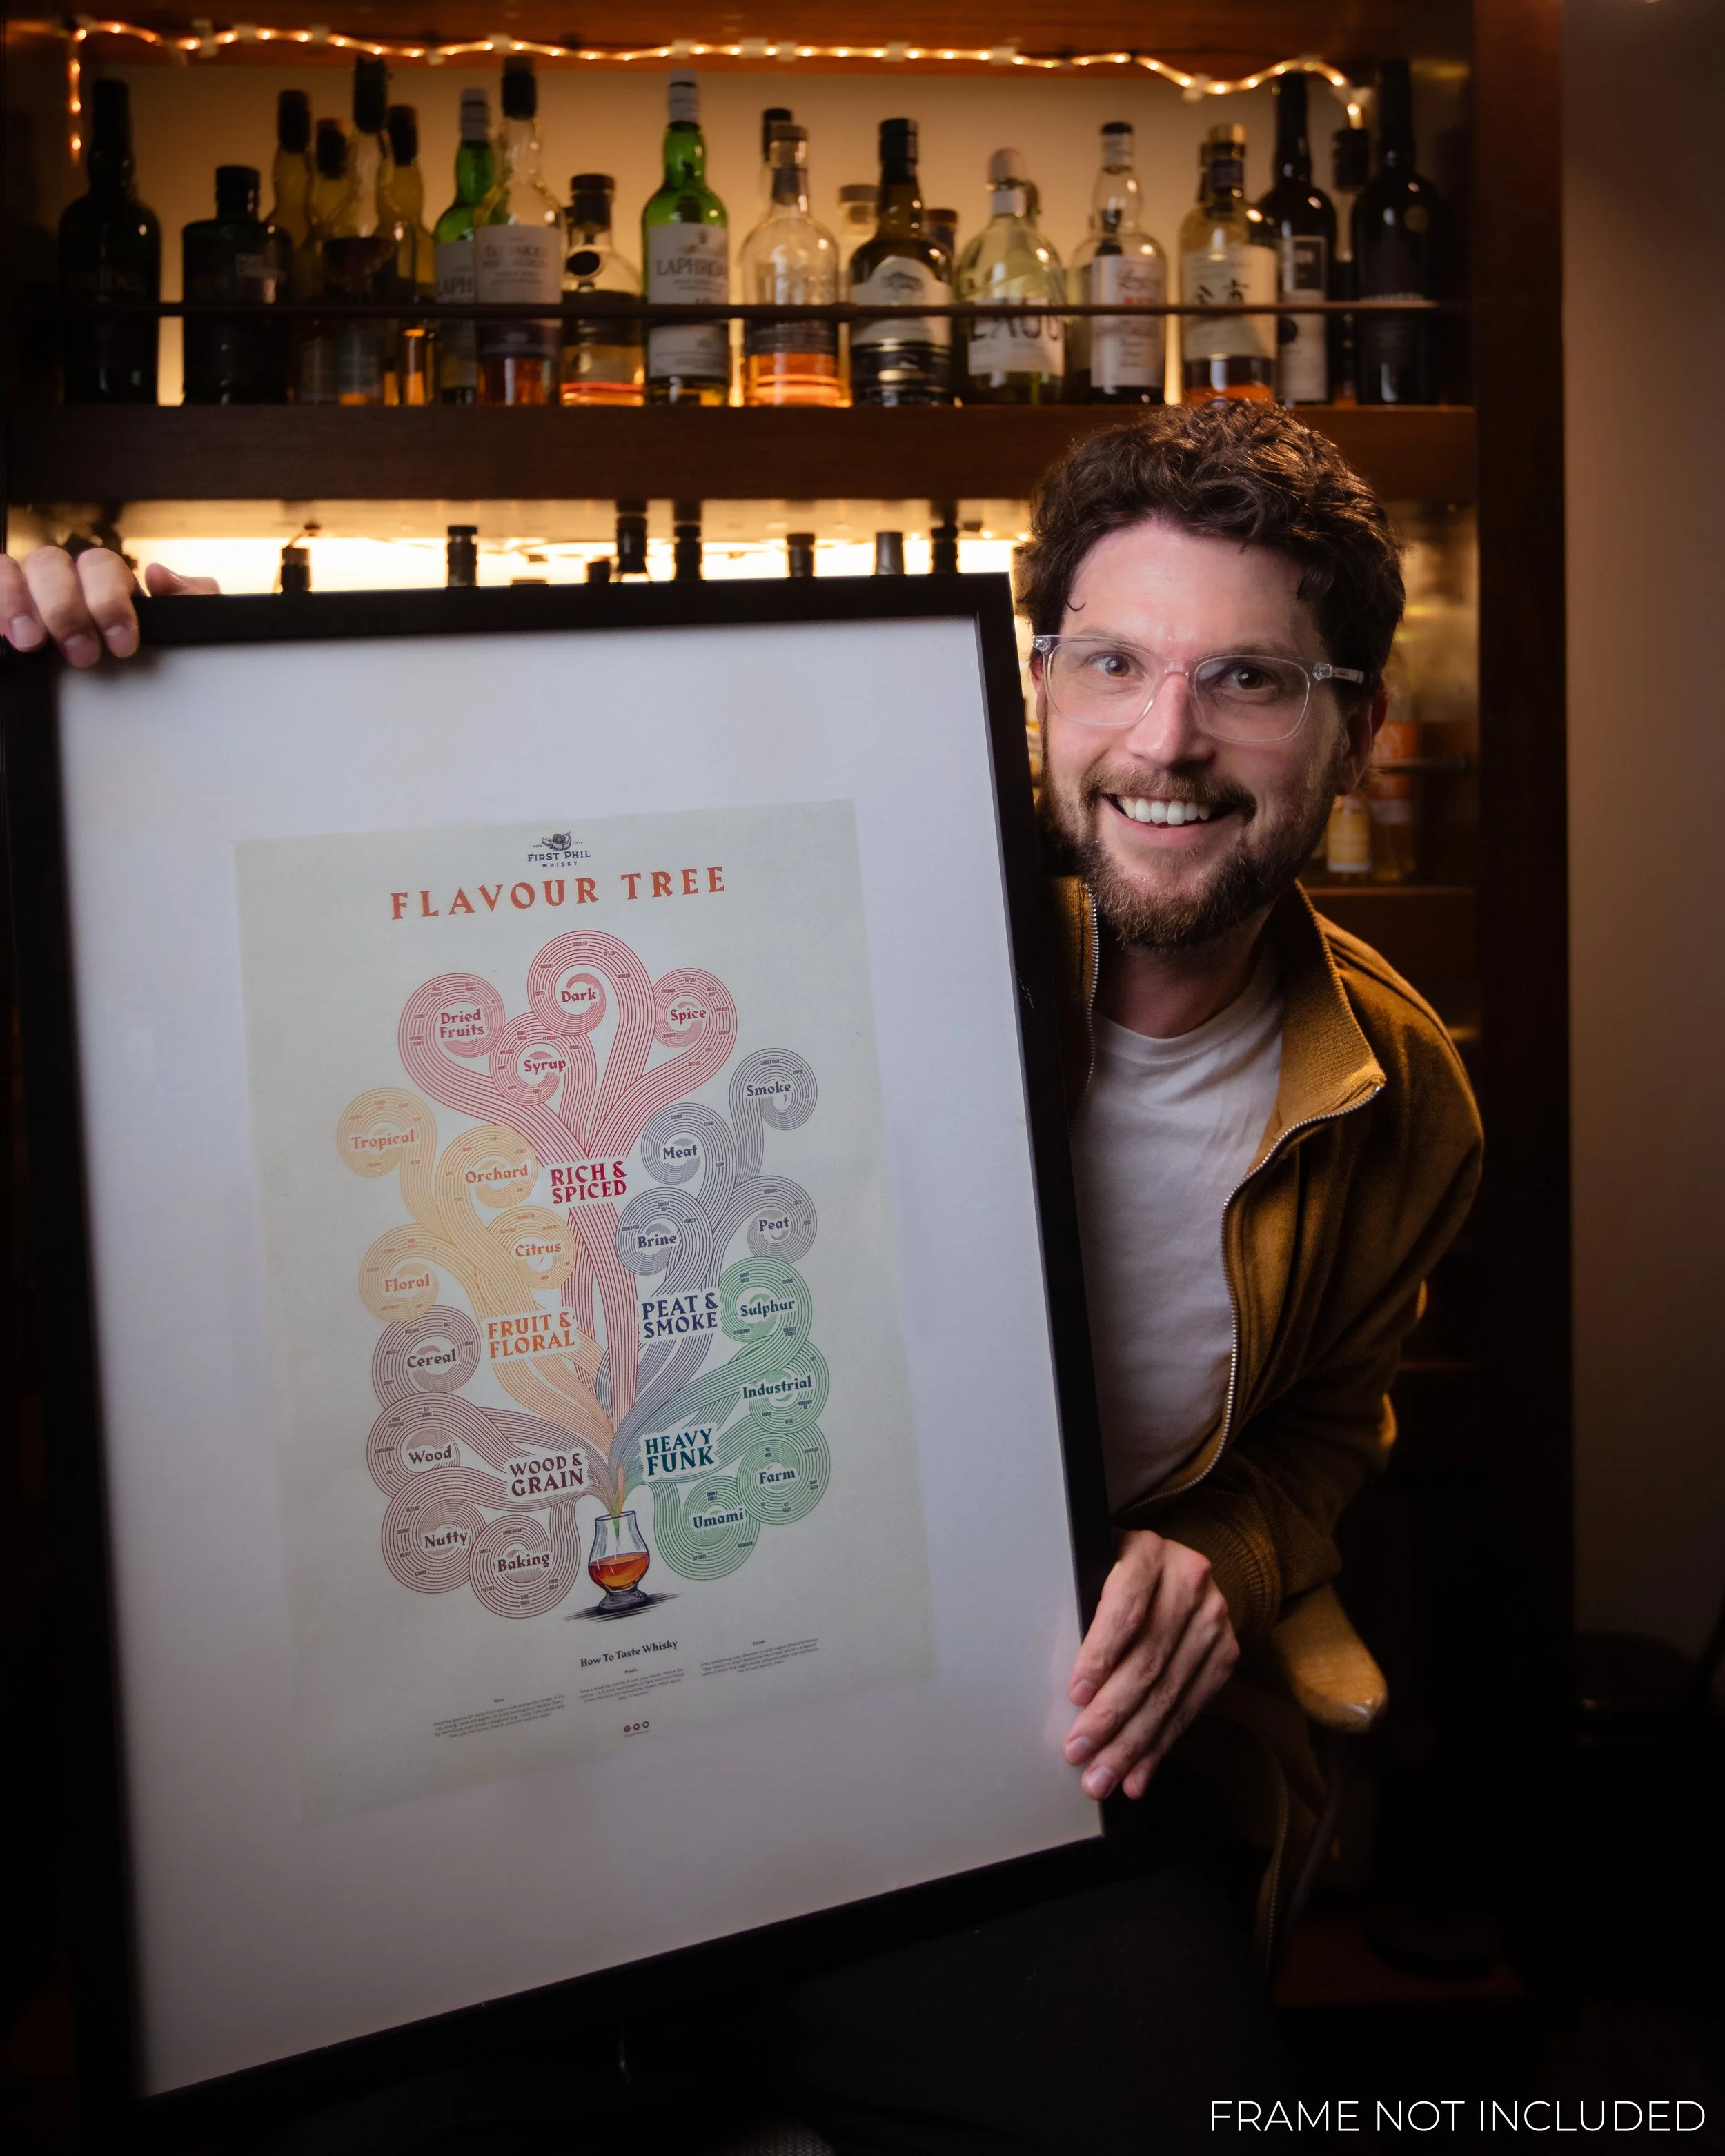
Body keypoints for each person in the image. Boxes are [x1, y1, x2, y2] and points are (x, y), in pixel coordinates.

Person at [2, 404, 1479, 2150]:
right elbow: (459, 851)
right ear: (1039, 681)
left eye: (1247, 678)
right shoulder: (841, 900)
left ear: (1352, 724)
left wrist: (1221, 1556)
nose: (1164, 740)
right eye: (1110, 661)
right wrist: (175, 686)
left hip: (996, 1770)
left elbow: (1324, 1427)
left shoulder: (1399, 1102)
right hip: (539, 1755)